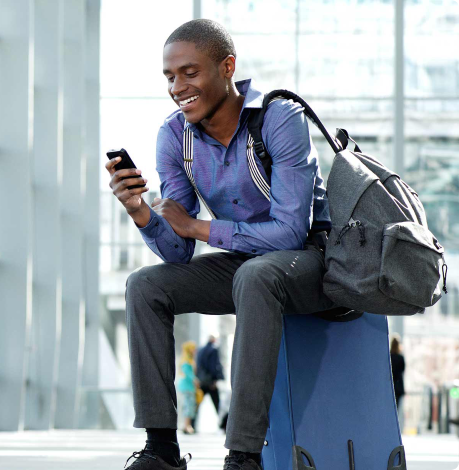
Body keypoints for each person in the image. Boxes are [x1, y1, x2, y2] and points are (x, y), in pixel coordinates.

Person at [106, 18, 336, 470]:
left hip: (311, 260)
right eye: (170, 77)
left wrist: (198, 227)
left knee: (256, 274)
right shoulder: (175, 136)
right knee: (145, 286)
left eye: (190, 72)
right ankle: (161, 449)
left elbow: (291, 230)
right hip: (249, 264)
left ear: (226, 67)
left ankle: (244, 456)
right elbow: (178, 251)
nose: (177, 87)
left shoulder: (279, 119)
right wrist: (140, 212)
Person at [194, 335, 225, 429]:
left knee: (197, 403)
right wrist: (215, 379)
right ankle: (224, 425)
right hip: (210, 382)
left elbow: (198, 366)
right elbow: (213, 366)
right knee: (218, 404)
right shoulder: (213, 350)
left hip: (202, 381)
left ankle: (191, 424)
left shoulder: (201, 349)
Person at [178, 341, 199, 435]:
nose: (194, 350)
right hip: (187, 387)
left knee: (190, 405)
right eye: (193, 348)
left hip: (189, 387)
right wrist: (195, 380)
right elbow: (187, 373)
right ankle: (186, 426)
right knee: (188, 405)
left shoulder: (189, 359)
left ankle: (187, 425)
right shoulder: (186, 360)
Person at [390, 334, 405, 412]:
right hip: (398, 387)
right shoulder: (400, 357)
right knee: (396, 409)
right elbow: (402, 370)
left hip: (390, 386)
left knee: (389, 409)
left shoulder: (388, 357)